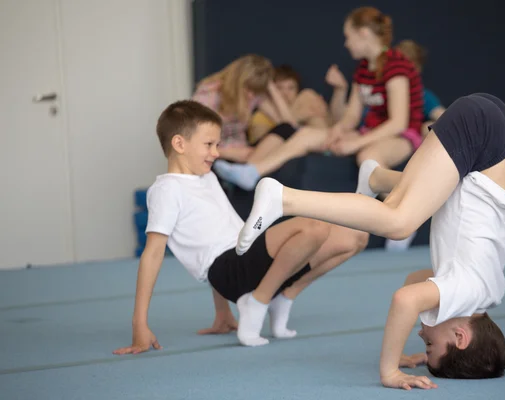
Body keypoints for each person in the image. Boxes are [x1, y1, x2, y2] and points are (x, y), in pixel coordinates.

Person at [235, 92, 505, 389]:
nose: (421, 337)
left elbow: (415, 281)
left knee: (427, 201)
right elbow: (405, 300)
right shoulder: (466, 291)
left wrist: (405, 345)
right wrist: (389, 368)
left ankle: (376, 179)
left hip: (498, 136)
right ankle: (284, 199)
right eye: (431, 347)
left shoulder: (488, 293)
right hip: (481, 131)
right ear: (460, 337)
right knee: (399, 222)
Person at [112, 100, 367, 353]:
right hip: (229, 269)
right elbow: (154, 254)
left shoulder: (207, 177)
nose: (216, 153)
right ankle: (257, 302)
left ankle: (282, 296)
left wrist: (222, 313)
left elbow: (218, 233)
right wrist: (139, 323)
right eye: (209, 145)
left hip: (243, 255)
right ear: (179, 144)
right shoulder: (167, 190)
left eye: (217, 145)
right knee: (314, 226)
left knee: (354, 238)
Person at [211, 6, 424, 191]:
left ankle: (403, 210)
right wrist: (337, 131)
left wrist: (357, 142)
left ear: (364, 34)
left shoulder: (397, 66)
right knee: (306, 135)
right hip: (372, 132)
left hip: (404, 136)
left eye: (348, 37)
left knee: (368, 157)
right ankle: (253, 172)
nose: (346, 44)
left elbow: (399, 123)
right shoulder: (362, 70)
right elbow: (352, 115)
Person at [191, 54, 297, 164]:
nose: (251, 96)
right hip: (218, 155)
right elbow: (193, 141)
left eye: (256, 91)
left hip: (245, 155)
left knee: (285, 130)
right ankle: (246, 173)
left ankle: (247, 172)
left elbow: (289, 125)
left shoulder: (255, 95)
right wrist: (229, 153)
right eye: (248, 88)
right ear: (236, 81)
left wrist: (270, 86)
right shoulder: (210, 94)